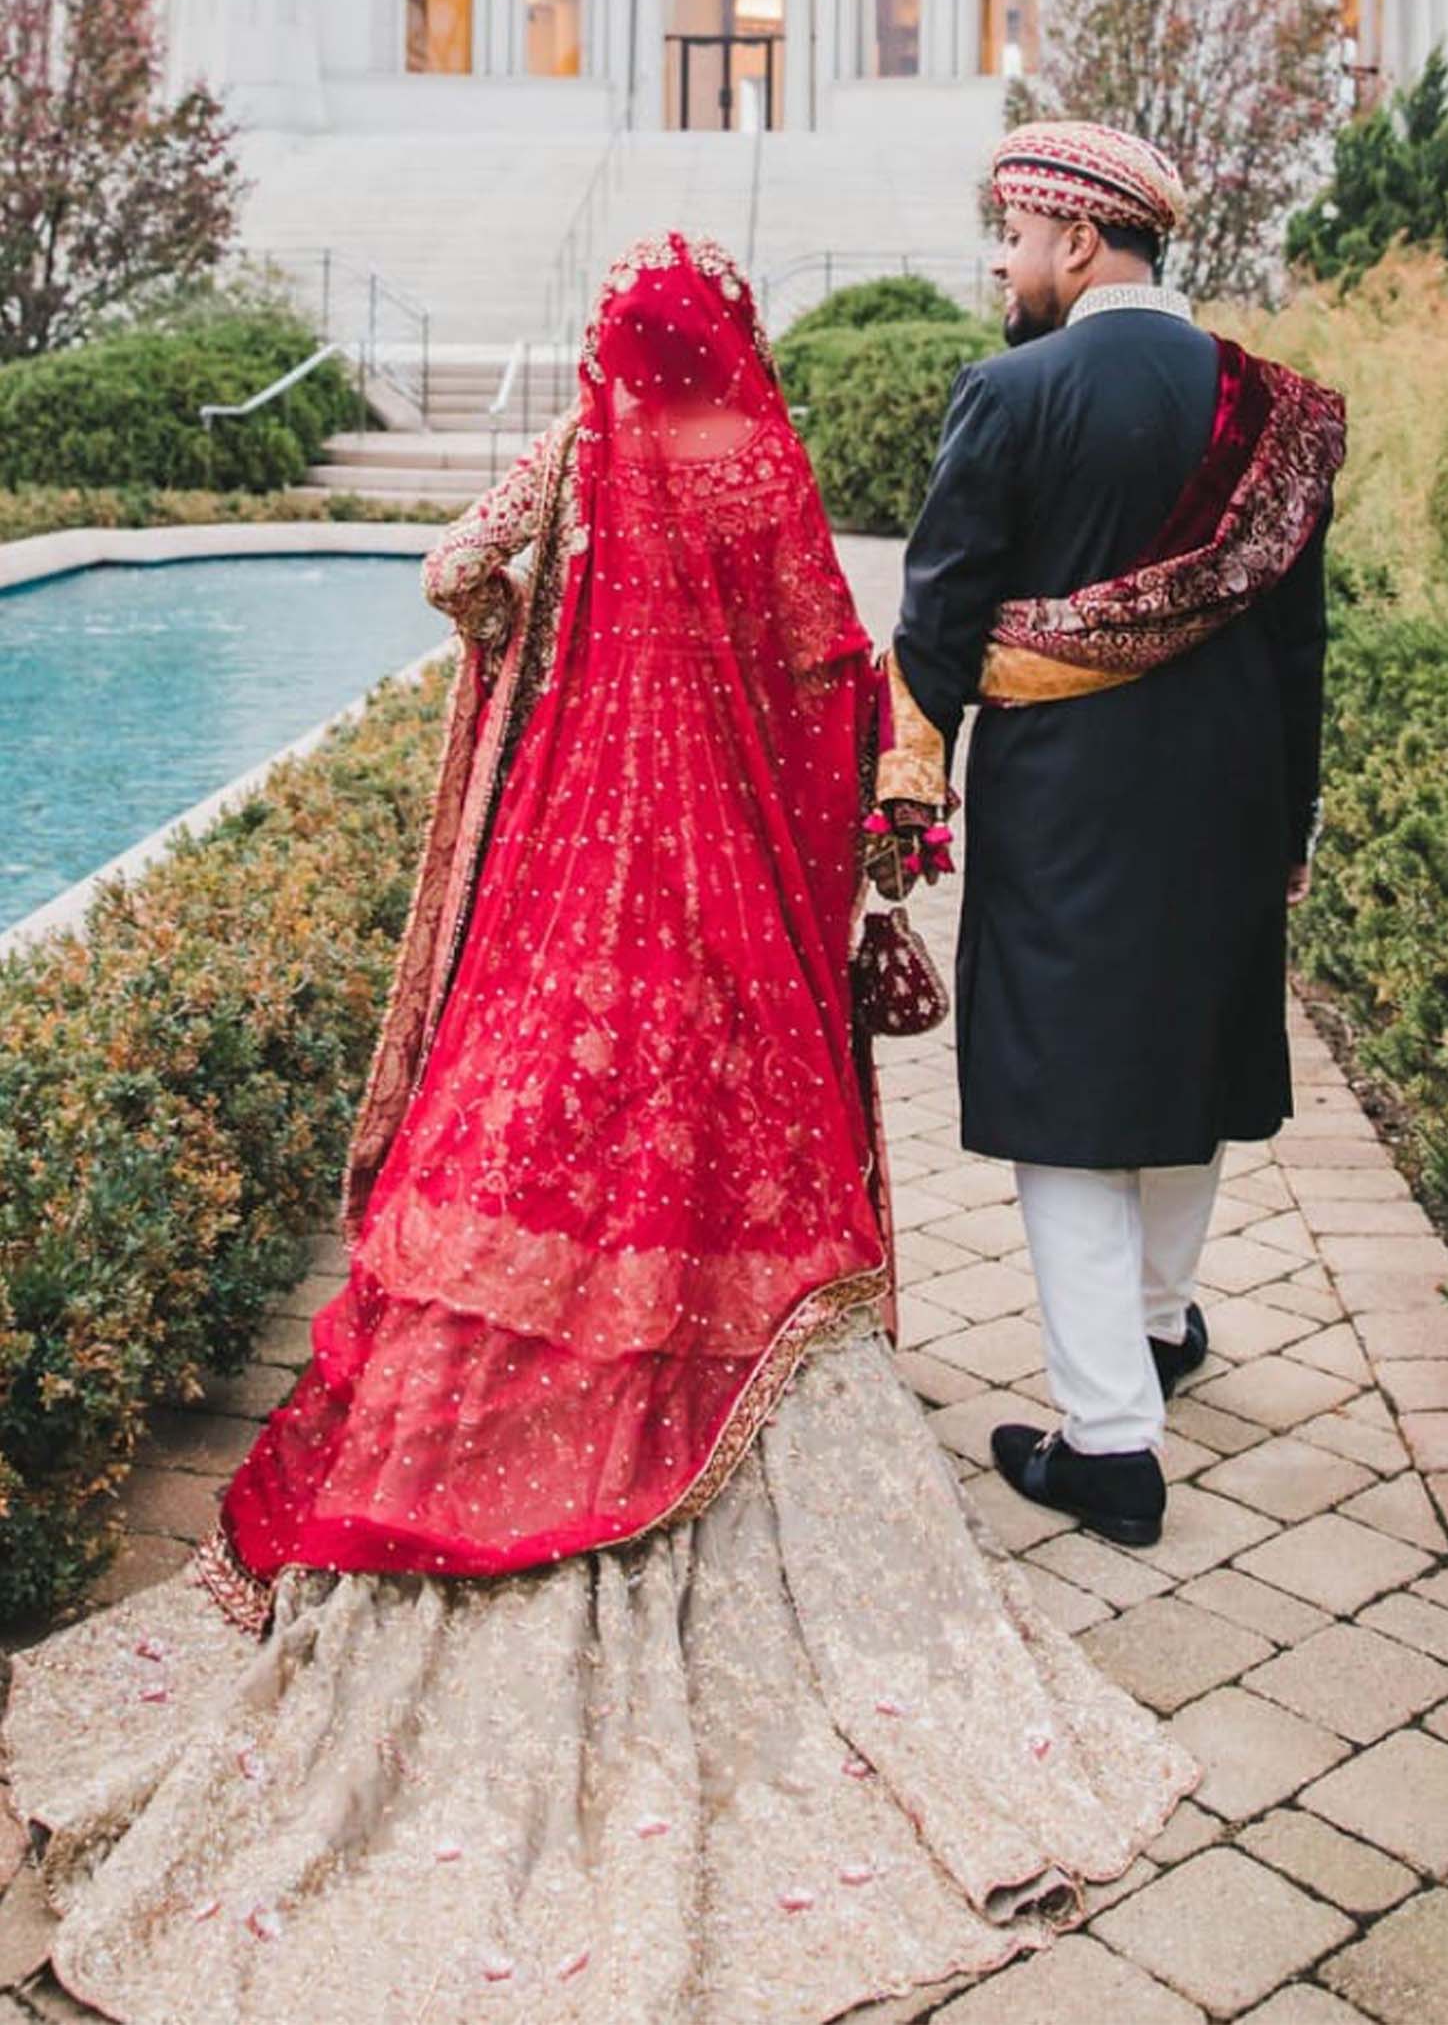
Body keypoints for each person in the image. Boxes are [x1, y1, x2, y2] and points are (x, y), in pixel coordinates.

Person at [1, 233, 1195, 2025]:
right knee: (723, 1166)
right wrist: (847, 856)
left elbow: (449, 573)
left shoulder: (573, 455)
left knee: (517, 1155)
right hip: (721, 926)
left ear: (616, 351)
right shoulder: (765, 478)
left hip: (567, 900)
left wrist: (517, 628)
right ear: (735, 347)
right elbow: (833, 678)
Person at [878, 124, 1346, 1551]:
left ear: (1080, 242)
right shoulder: (1281, 411)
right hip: (1235, 794)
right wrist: (1294, 823)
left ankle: (1109, 1443)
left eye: (1016, 237)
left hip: (1071, 802)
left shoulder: (1012, 392)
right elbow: (1300, 648)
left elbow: (938, 622)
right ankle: (1156, 1322)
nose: (1003, 264)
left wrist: (903, 798)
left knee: (1068, 1090)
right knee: (1193, 1052)